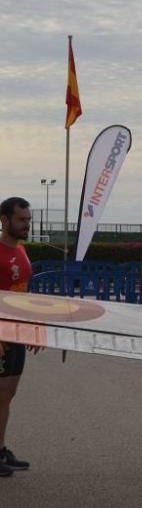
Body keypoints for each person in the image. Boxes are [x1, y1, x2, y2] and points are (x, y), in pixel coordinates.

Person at [0, 197, 35, 477]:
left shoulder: (22, 251)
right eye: (21, 219)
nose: (27, 224)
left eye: (28, 219)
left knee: (7, 396)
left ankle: (0, 450)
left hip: (17, 334)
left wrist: (34, 328)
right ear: (4, 220)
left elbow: (24, 297)